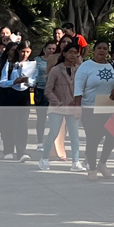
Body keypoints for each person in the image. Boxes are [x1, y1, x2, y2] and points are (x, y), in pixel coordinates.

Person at [73, 40, 114, 178]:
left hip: (107, 107)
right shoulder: (86, 66)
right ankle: (92, 169)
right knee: (93, 138)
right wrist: (77, 107)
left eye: (105, 48)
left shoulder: (112, 65)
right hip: (89, 108)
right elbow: (78, 87)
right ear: (94, 50)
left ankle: (102, 162)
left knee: (113, 136)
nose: (102, 51)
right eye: (99, 48)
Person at [39, 43, 84, 171]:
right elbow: (48, 90)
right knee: (53, 132)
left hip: (73, 106)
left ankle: (76, 161)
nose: (73, 55)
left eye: (76, 52)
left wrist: (77, 104)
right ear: (64, 53)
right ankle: (44, 158)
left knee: (74, 135)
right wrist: (58, 103)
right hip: (57, 107)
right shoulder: (56, 70)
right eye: (70, 52)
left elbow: (81, 89)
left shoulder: (80, 69)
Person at [0, 40, 37, 161]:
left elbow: (35, 80)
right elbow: (2, 82)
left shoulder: (33, 64)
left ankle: (21, 151)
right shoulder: (10, 64)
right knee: (9, 123)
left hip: (24, 95)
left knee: (22, 124)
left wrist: (27, 81)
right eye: (23, 51)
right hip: (10, 94)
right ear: (18, 51)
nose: (25, 54)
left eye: (27, 52)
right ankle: (8, 149)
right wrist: (13, 82)